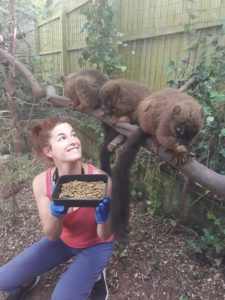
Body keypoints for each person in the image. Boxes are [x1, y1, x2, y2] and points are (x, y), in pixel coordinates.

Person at [0, 118, 114, 300]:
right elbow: (52, 235)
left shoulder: (101, 180)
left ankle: (97, 275)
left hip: (95, 245)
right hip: (63, 241)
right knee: (3, 280)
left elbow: (105, 235)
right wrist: (56, 215)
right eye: (62, 138)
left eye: (73, 135)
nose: (73, 140)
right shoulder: (40, 183)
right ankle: (29, 278)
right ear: (49, 151)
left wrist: (104, 219)